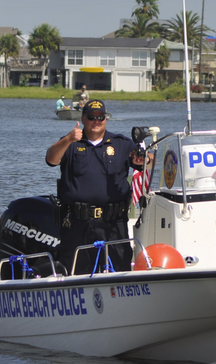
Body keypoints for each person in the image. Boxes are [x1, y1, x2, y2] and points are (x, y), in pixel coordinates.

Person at [46, 100, 145, 274]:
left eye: (101, 117)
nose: (96, 121)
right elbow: (51, 159)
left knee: (120, 271)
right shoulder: (71, 142)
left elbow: (147, 161)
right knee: (75, 274)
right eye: (92, 117)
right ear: (83, 119)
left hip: (113, 223)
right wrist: (68, 139)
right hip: (78, 223)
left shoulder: (121, 143)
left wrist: (145, 159)